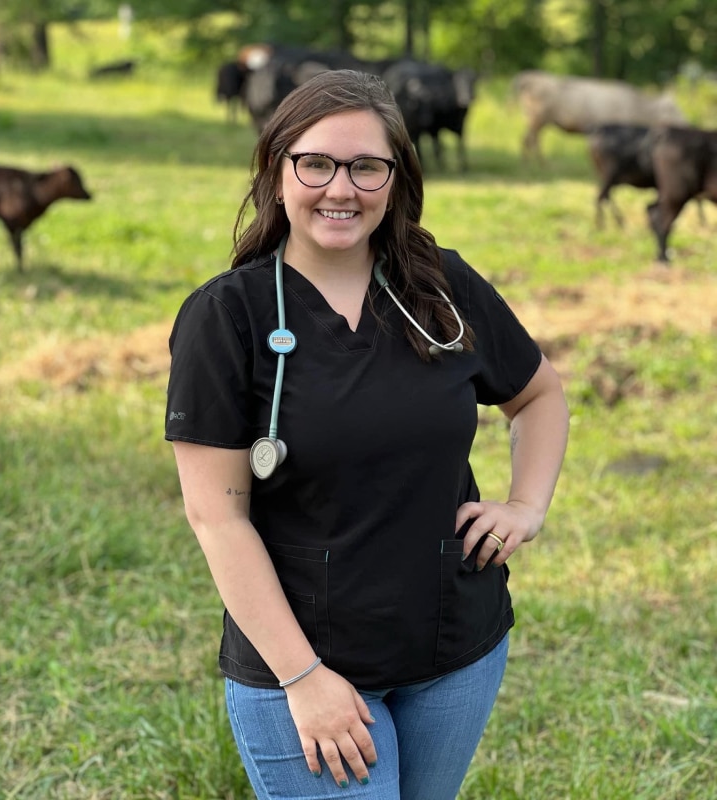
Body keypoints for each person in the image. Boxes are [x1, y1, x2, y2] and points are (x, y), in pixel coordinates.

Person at [165, 69, 569, 800]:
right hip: (308, 666)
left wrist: (526, 506)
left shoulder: (440, 287)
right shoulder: (227, 318)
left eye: (366, 167)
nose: (341, 189)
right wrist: (303, 677)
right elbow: (215, 516)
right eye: (315, 163)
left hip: (456, 649)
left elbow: (538, 394)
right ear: (277, 171)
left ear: (396, 178)